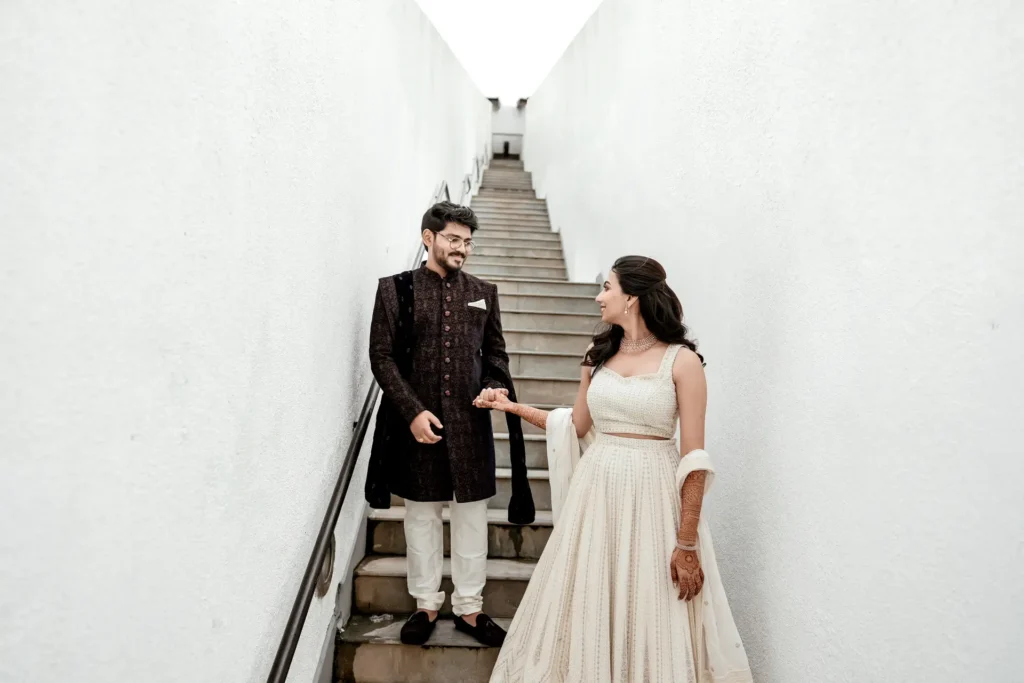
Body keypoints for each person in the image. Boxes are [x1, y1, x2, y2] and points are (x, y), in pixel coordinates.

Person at [478, 256, 753, 682]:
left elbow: (694, 459)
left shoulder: (683, 362)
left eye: (607, 287)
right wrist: (511, 407)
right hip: (597, 498)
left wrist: (686, 543)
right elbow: (577, 426)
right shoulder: (597, 355)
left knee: (650, 607)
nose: (598, 296)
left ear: (632, 298)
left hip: (653, 499)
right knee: (589, 602)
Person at [364, 201, 535, 648]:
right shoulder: (394, 290)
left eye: (468, 241)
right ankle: (424, 604)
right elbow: (381, 357)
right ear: (429, 238)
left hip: (471, 426)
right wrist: (412, 412)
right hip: (416, 424)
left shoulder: (483, 290)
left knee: (472, 518)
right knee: (420, 517)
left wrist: (496, 386)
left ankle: (469, 609)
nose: (463, 248)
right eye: (454, 239)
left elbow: (496, 355)